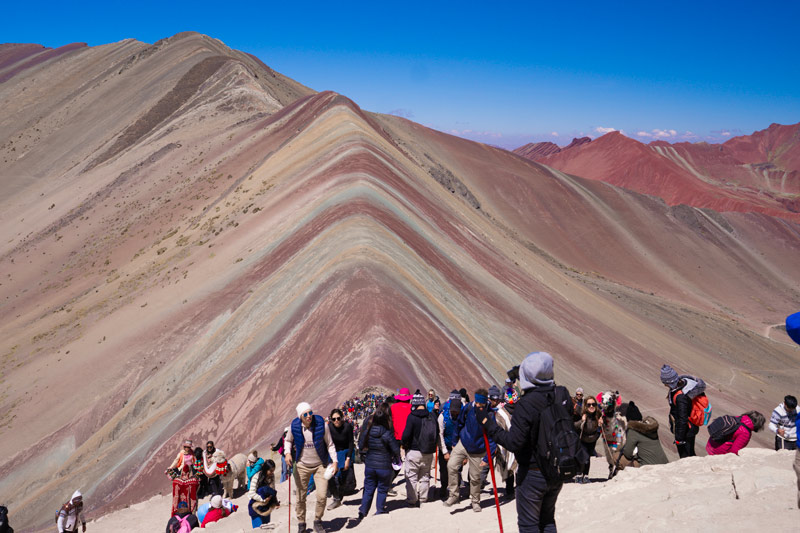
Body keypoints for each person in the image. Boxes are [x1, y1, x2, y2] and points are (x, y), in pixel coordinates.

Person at [479, 351, 573, 533]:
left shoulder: (526, 404)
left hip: (533, 474)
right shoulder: (562, 395)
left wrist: (489, 425)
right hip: (556, 470)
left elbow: (514, 443)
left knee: (529, 525)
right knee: (547, 520)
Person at [284, 402, 338, 533]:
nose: (309, 416)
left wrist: (335, 461)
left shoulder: (322, 425)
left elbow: (330, 444)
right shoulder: (294, 427)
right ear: (300, 416)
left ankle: (318, 521)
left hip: (320, 465)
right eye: (305, 414)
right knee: (301, 497)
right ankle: (301, 524)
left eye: (310, 413)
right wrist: (287, 453)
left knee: (322, 495)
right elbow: (288, 440)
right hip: (302, 465)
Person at [444, 388, 496, 513]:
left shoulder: (489, 415)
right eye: (477, 403)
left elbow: (493, 437)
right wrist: (455, 442)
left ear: (485, 402)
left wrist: (487, 458)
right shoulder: (468, 408)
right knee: (451, 466)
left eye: (481, 404)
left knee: (475, 478)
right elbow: (459, 424)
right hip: (463, 443)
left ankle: (475, 501)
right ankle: (453, 495)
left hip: (478, 450)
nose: (478, 406)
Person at [353, 402, 401, 523]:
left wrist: (365, 456)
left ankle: (363, 511)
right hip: (384, 465)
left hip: (370, 464)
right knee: (382, 488)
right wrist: (396, 458)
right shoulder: (387, 433)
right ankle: (380, 509)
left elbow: (360, 444)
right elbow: (395, 449)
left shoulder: (368, 432)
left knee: (369, 488)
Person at [402, 392, 440, 506]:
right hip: (428, 451)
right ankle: (423, 498)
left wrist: (404, 445)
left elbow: (406, 435)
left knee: (412, 477)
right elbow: (437, 432)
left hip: (413, 451)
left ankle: (412, 499)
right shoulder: (432, 416)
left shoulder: (412, 417)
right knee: (425, 476)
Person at [484, 385, 516, 500]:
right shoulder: (498, 412)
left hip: (506, 442)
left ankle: (510, 490)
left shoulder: (501, 413)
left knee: (509, 465)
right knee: (509, 465)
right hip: (508, 442)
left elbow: (502, 428)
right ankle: (511, 489)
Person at [615, 401, 668, 469]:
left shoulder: (633, 431)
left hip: (648, 465)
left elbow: (627, 454)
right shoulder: (650, 427)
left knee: (616, 456)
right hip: (664, 463)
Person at [661, 365, 700, 458]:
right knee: (690, 453)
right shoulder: (683, 387)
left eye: (665, 383)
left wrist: (679, 438)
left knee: (686, 456)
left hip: (685, 430)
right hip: (690, 428)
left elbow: (683, 418)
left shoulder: (680, 396)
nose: (665, 385)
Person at [327, 408, 355, 510]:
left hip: (345, 451)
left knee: (343, 476)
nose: (336, 421)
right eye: (334, 419)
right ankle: (336, 498)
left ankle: (339, 496)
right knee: (332, 475)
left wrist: (348, 458)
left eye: (338, 418)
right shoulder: (329, 428)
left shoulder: (347, 427)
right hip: (334, 453)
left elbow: (351, 443)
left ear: (342, 418)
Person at [437, 390, 462, 498]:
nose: (455, 414)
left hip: (457, 447)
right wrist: (445, 452)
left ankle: (454, 493)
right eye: (453, 412)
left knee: (456, 470)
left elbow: (464, 434)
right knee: (444, 470)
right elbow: (440, 435)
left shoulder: (462, 416)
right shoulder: (443, 417)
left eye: (457, 412)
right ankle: (443, 488)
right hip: (446, 446)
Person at [167, 440, 199, 515]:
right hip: (182, 471)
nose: (187, 448)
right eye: (186, 447)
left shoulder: (192, 453)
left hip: (190, 470)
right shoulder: (181, 454)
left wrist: (197, 468)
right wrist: (171, 467)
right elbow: (176, 461)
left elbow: (195, 461)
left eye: (188, 447)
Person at [574, 396, 602, 483]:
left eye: (593, 404)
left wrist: (601, 425)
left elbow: (603, 430)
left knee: (587, 457)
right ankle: (579, 475)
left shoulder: (598, 415)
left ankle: (585, 476)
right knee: (584, 457)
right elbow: (574, 426)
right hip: (582, 439)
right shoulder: (581, 414)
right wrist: (582, 421)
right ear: (585, 406)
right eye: (589, 404)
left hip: (592, 440)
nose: (591, 406)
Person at [248, 460, 279, 530]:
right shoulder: (256, 477)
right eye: (270, 471)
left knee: (266, 528)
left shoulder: (271, 477)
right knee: (258, 529)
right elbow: (252, 493)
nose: (272, 473)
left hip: (267, 507)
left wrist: (275, 501)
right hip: (256, 506)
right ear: (266, 469)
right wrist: (263, 500)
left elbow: (272, 490)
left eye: (273, 471)